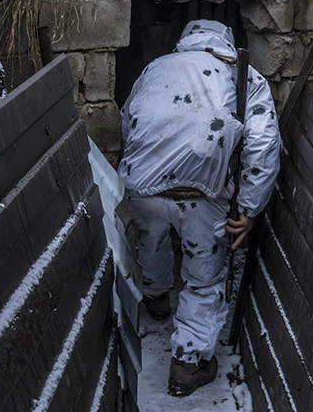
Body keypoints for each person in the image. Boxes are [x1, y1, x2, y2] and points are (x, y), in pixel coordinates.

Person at [119, 19, 281, 397]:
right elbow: (263, 143)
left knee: (151, 240)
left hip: (142, 185)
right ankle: (187, 366)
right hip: (200, 193)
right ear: (224, 41)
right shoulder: (242, 76)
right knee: (203, 279)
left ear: (185, 40)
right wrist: (249, 208)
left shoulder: (154, 68)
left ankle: (156, 298)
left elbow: (129, 121)